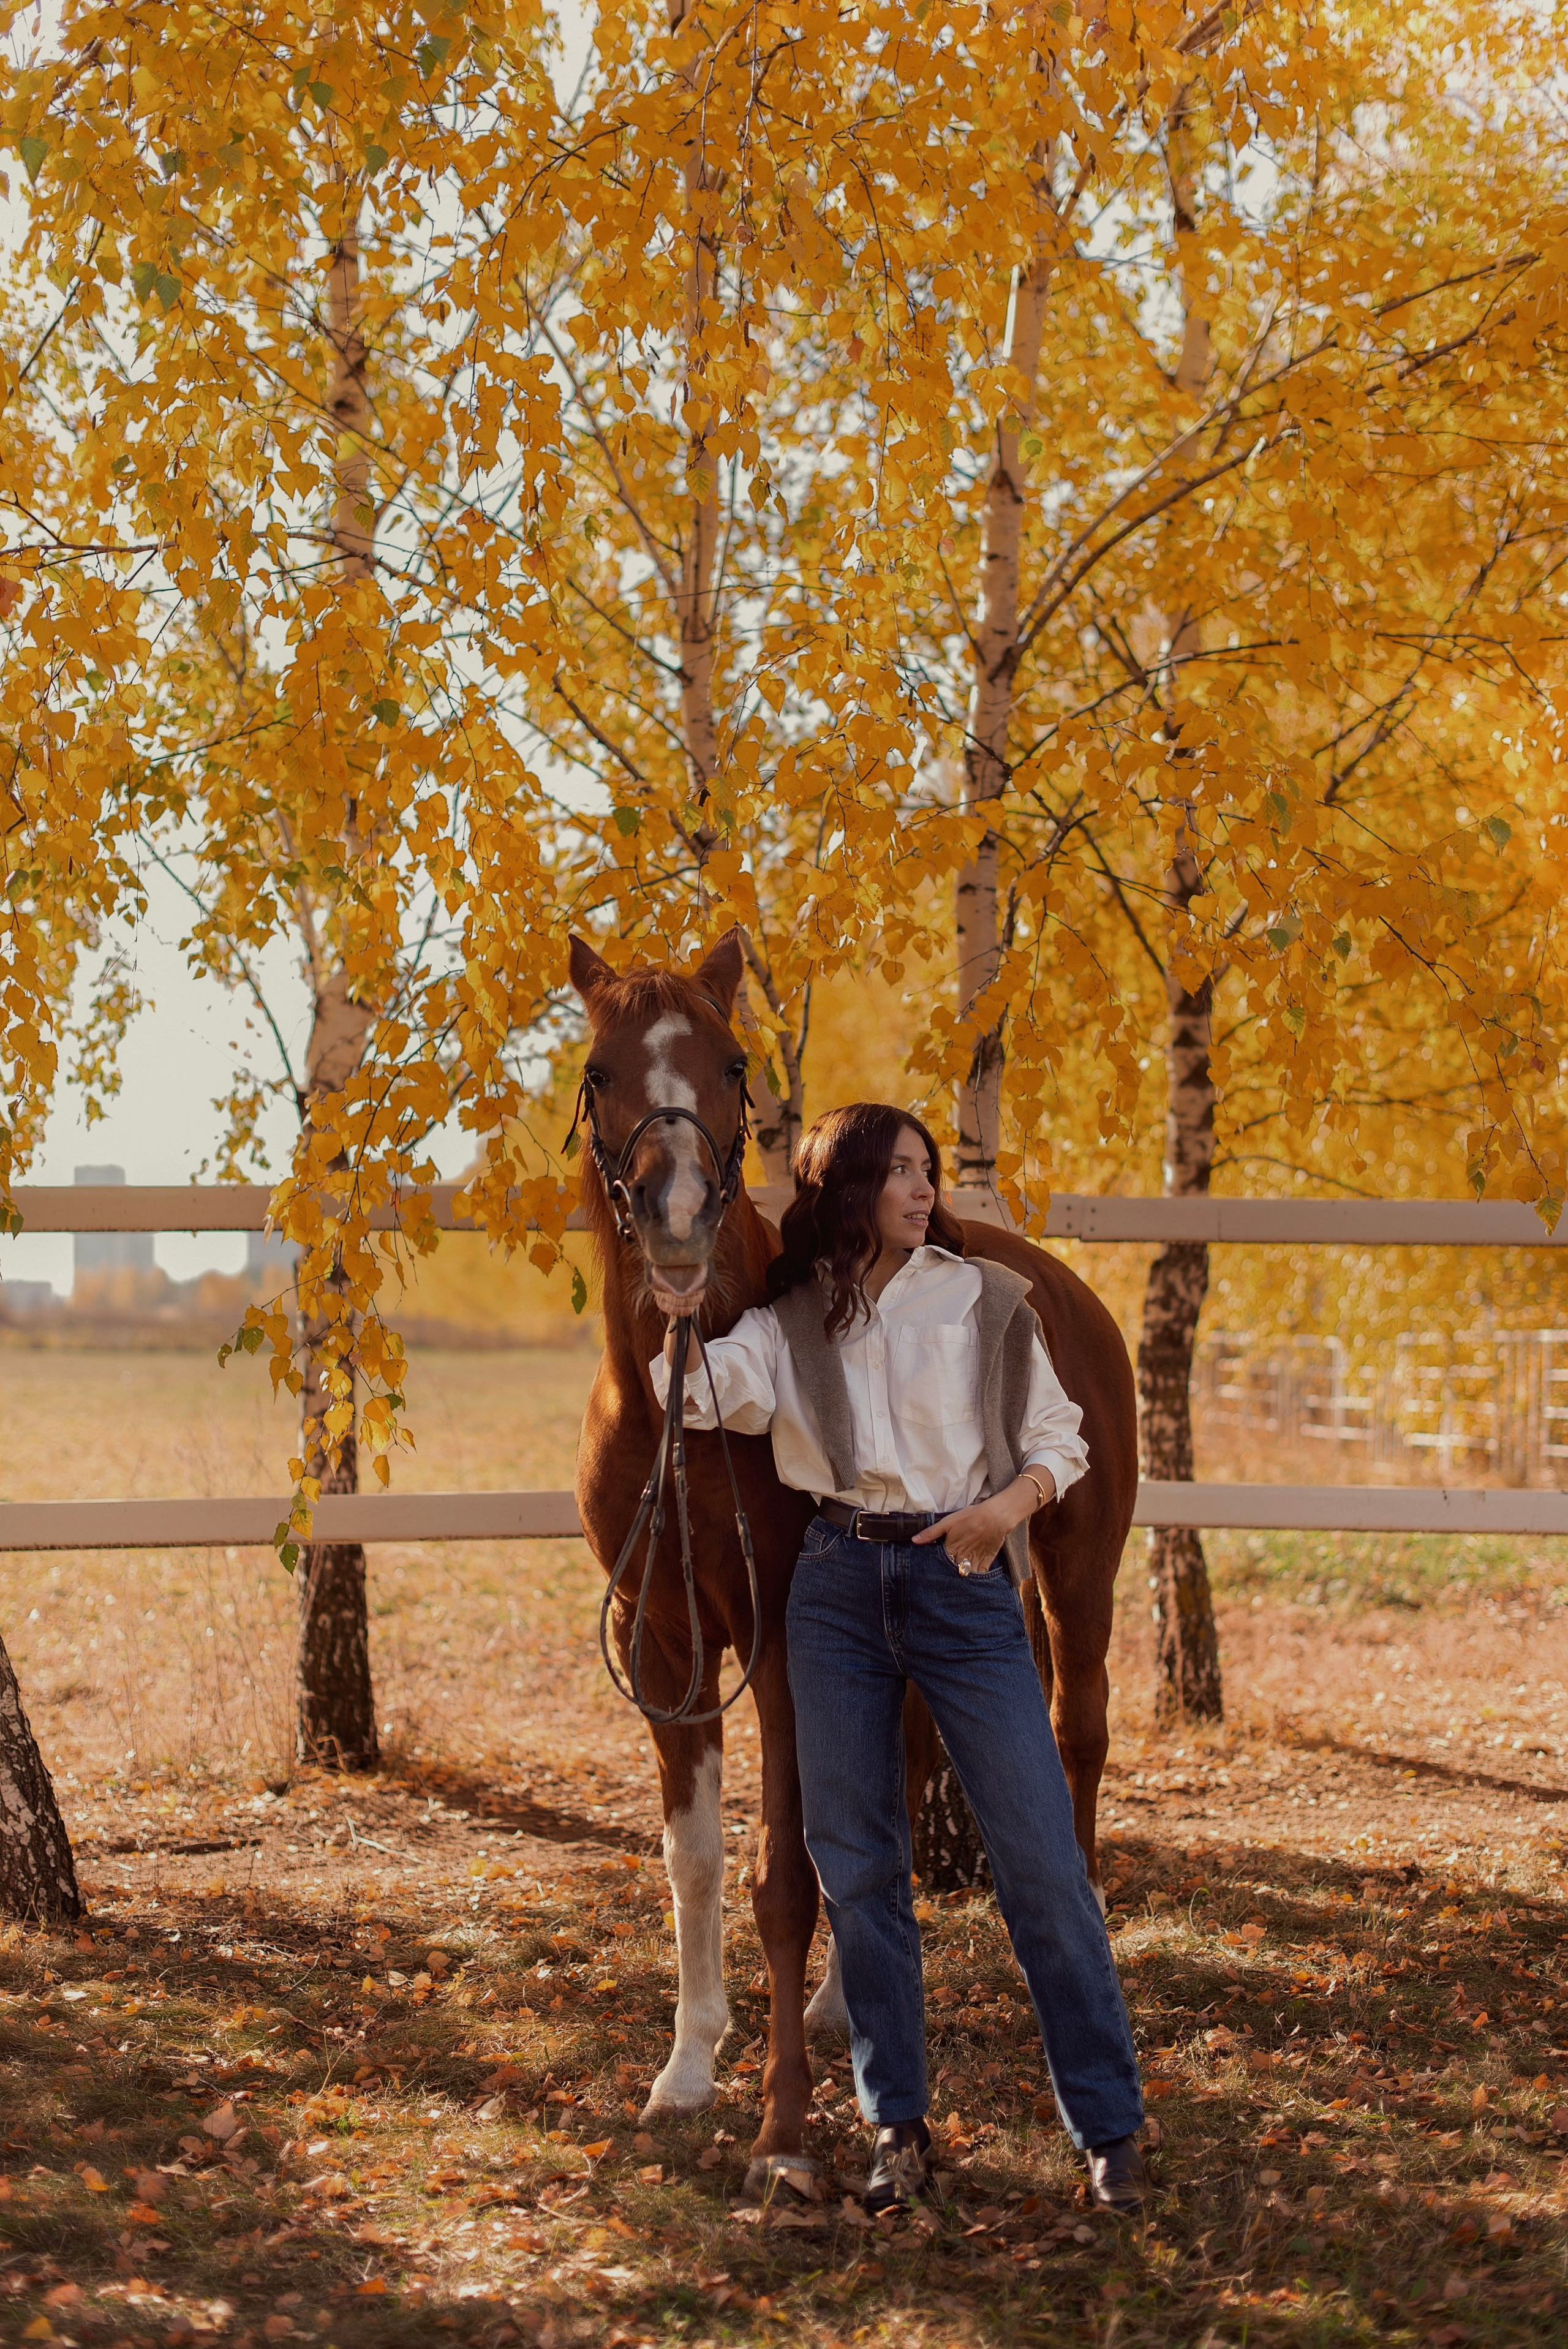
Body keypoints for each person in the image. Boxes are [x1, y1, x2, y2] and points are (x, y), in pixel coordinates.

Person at [652, 1101, 1148, 2215]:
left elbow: (1060, 1439)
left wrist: (1001, 1513)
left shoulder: (985, 1300)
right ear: (847, 1191)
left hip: (962, 1583)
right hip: (833, 1589)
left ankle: (1109, 2127)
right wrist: (680, 1316)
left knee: (1041, 1867)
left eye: (930, 1172)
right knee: (862, 1874)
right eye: (904, 1173)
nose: (927, 1192)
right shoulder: (788, 1322)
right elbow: (692, 1397)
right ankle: (897, 2131)